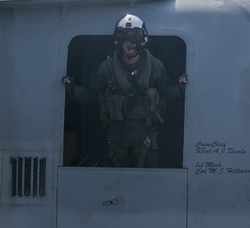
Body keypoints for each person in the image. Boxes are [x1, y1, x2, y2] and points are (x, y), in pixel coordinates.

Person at [63, 14, 187, 167]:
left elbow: (166, 92)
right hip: (115, 142)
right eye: (125, 39)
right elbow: (92, 94)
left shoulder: (155, 67)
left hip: (145, 140)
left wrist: (181, 89)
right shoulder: (107, 67)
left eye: (134, 39)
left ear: (141, 40)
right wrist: (72, 89)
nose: (130, 43)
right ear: (119, 41)